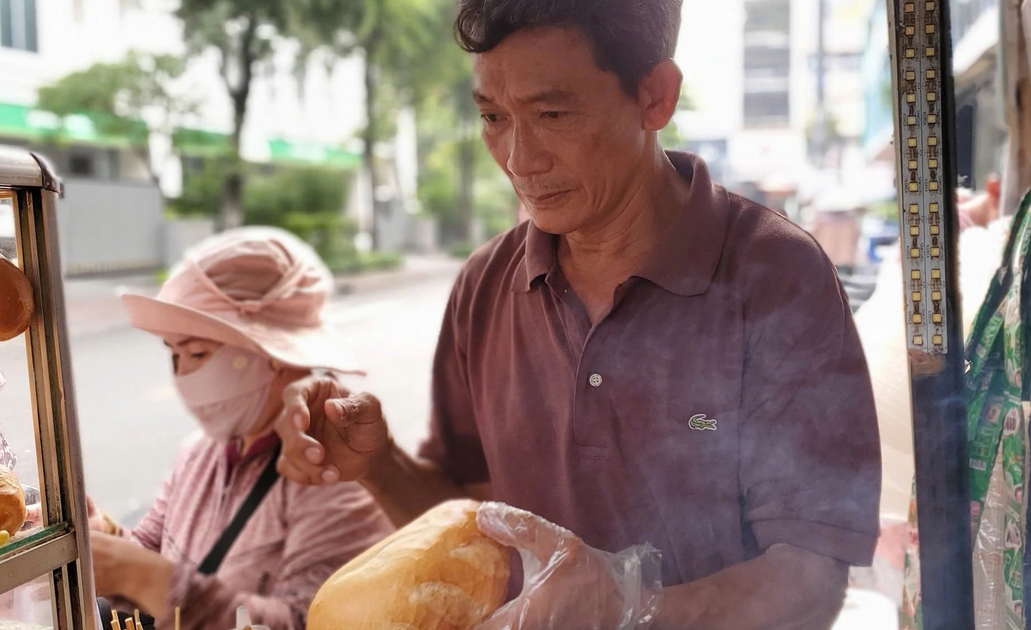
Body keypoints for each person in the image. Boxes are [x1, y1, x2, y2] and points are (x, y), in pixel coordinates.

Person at [271, 1, 881, 629]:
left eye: (552, 114)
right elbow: (471, 531)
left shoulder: (776, 275)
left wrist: (631, 607)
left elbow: (812, 574)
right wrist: (379, 464)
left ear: (655, 97)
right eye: (493, 117)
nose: (519, 159)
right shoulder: (486, 285)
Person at [85, 227, 393, 630]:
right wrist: (106, 535)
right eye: (175, 355)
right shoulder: (200, 451)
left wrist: (147, 579)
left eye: (197, 353)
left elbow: (305, 621)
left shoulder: (335, 477)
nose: (182, 373)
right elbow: (150, 552)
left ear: (276, 355)